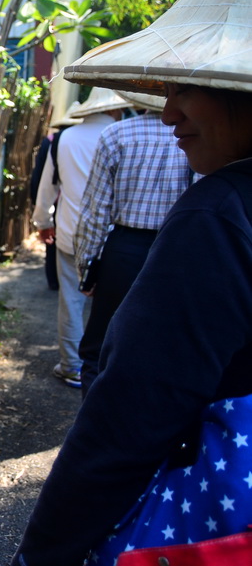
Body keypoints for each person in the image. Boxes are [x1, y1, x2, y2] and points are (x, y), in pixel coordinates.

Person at [12, 0, 252, 566]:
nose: (169, 110)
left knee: (102, 351)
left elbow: (131, 414)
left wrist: (43, 551)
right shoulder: (201, 190)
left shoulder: (220, 215)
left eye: (185, 87)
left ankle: (76, 367)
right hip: (153, 251)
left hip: (122, 251)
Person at [72, 91, 193, 395]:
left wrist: (87, 267)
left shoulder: (116, 134)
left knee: (100, 344)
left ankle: (93, 424)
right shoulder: (194, 136)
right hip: (175, 248)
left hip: (123, 250)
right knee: (161, 342)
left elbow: (94, 211)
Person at [32, 87, 131, 388]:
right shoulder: (123, 135)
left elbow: (48, 187)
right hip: (115, 238)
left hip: (70, 233)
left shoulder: (65, 138)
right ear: (115, 108)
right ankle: (111, 365)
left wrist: (42, 221)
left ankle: (72, 366)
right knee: (116, 304)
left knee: (71, 302)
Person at [29, 101, 83, 291]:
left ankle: (54, 280)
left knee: (55, 242)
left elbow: (39, 175)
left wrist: (38, 206)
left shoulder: (52, 140)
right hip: (72, 198)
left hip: (56, 199)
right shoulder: (82, 140)